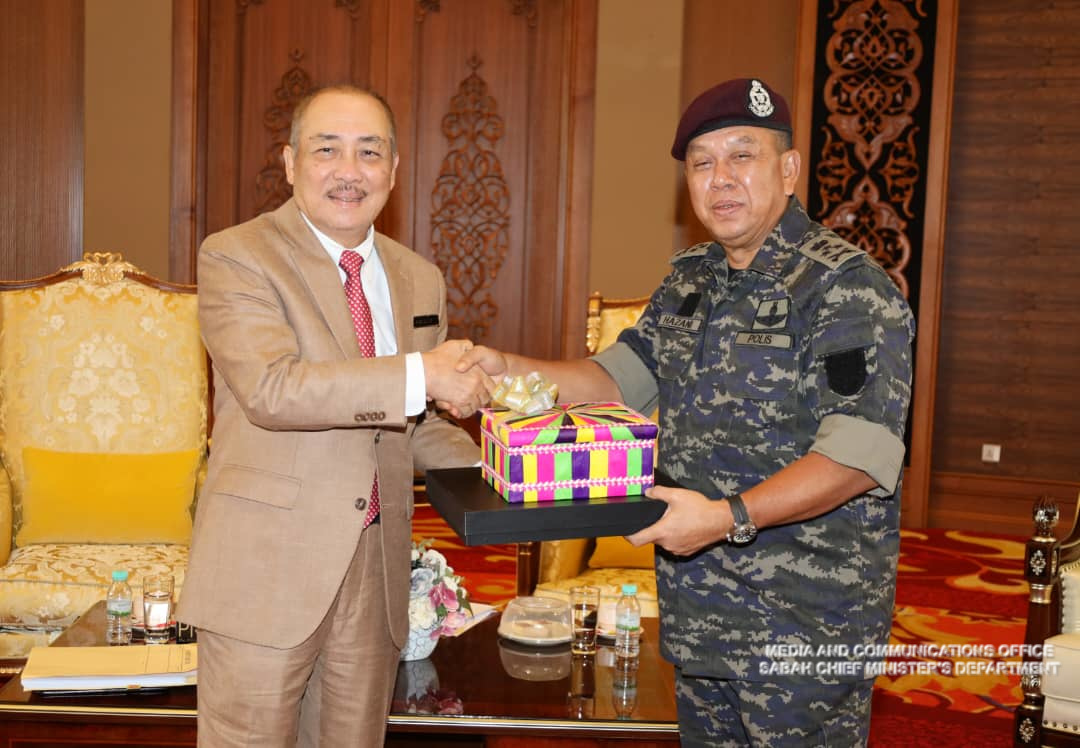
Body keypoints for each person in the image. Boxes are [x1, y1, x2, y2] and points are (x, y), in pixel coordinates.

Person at [459, 78, 914, 746]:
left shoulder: (846, 288)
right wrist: (505, 368)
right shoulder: (690, 278)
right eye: (702, 163)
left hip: (804, 624)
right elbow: (614, 381)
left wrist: (727, 519)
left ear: (788, 169)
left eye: (742, 156)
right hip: (702, 612)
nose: (720, 178)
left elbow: (858, 458)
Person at [176, 85, 489, 747]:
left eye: (369, 152)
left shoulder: (419, 277)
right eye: (327, 150)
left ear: (393, 170)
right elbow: (273, 389)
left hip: (375, 573)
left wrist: (508, 468)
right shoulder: (238, 255)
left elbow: (411, 422)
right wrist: (422, 374)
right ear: (291, 162)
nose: (350, 171)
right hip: (266, 569)